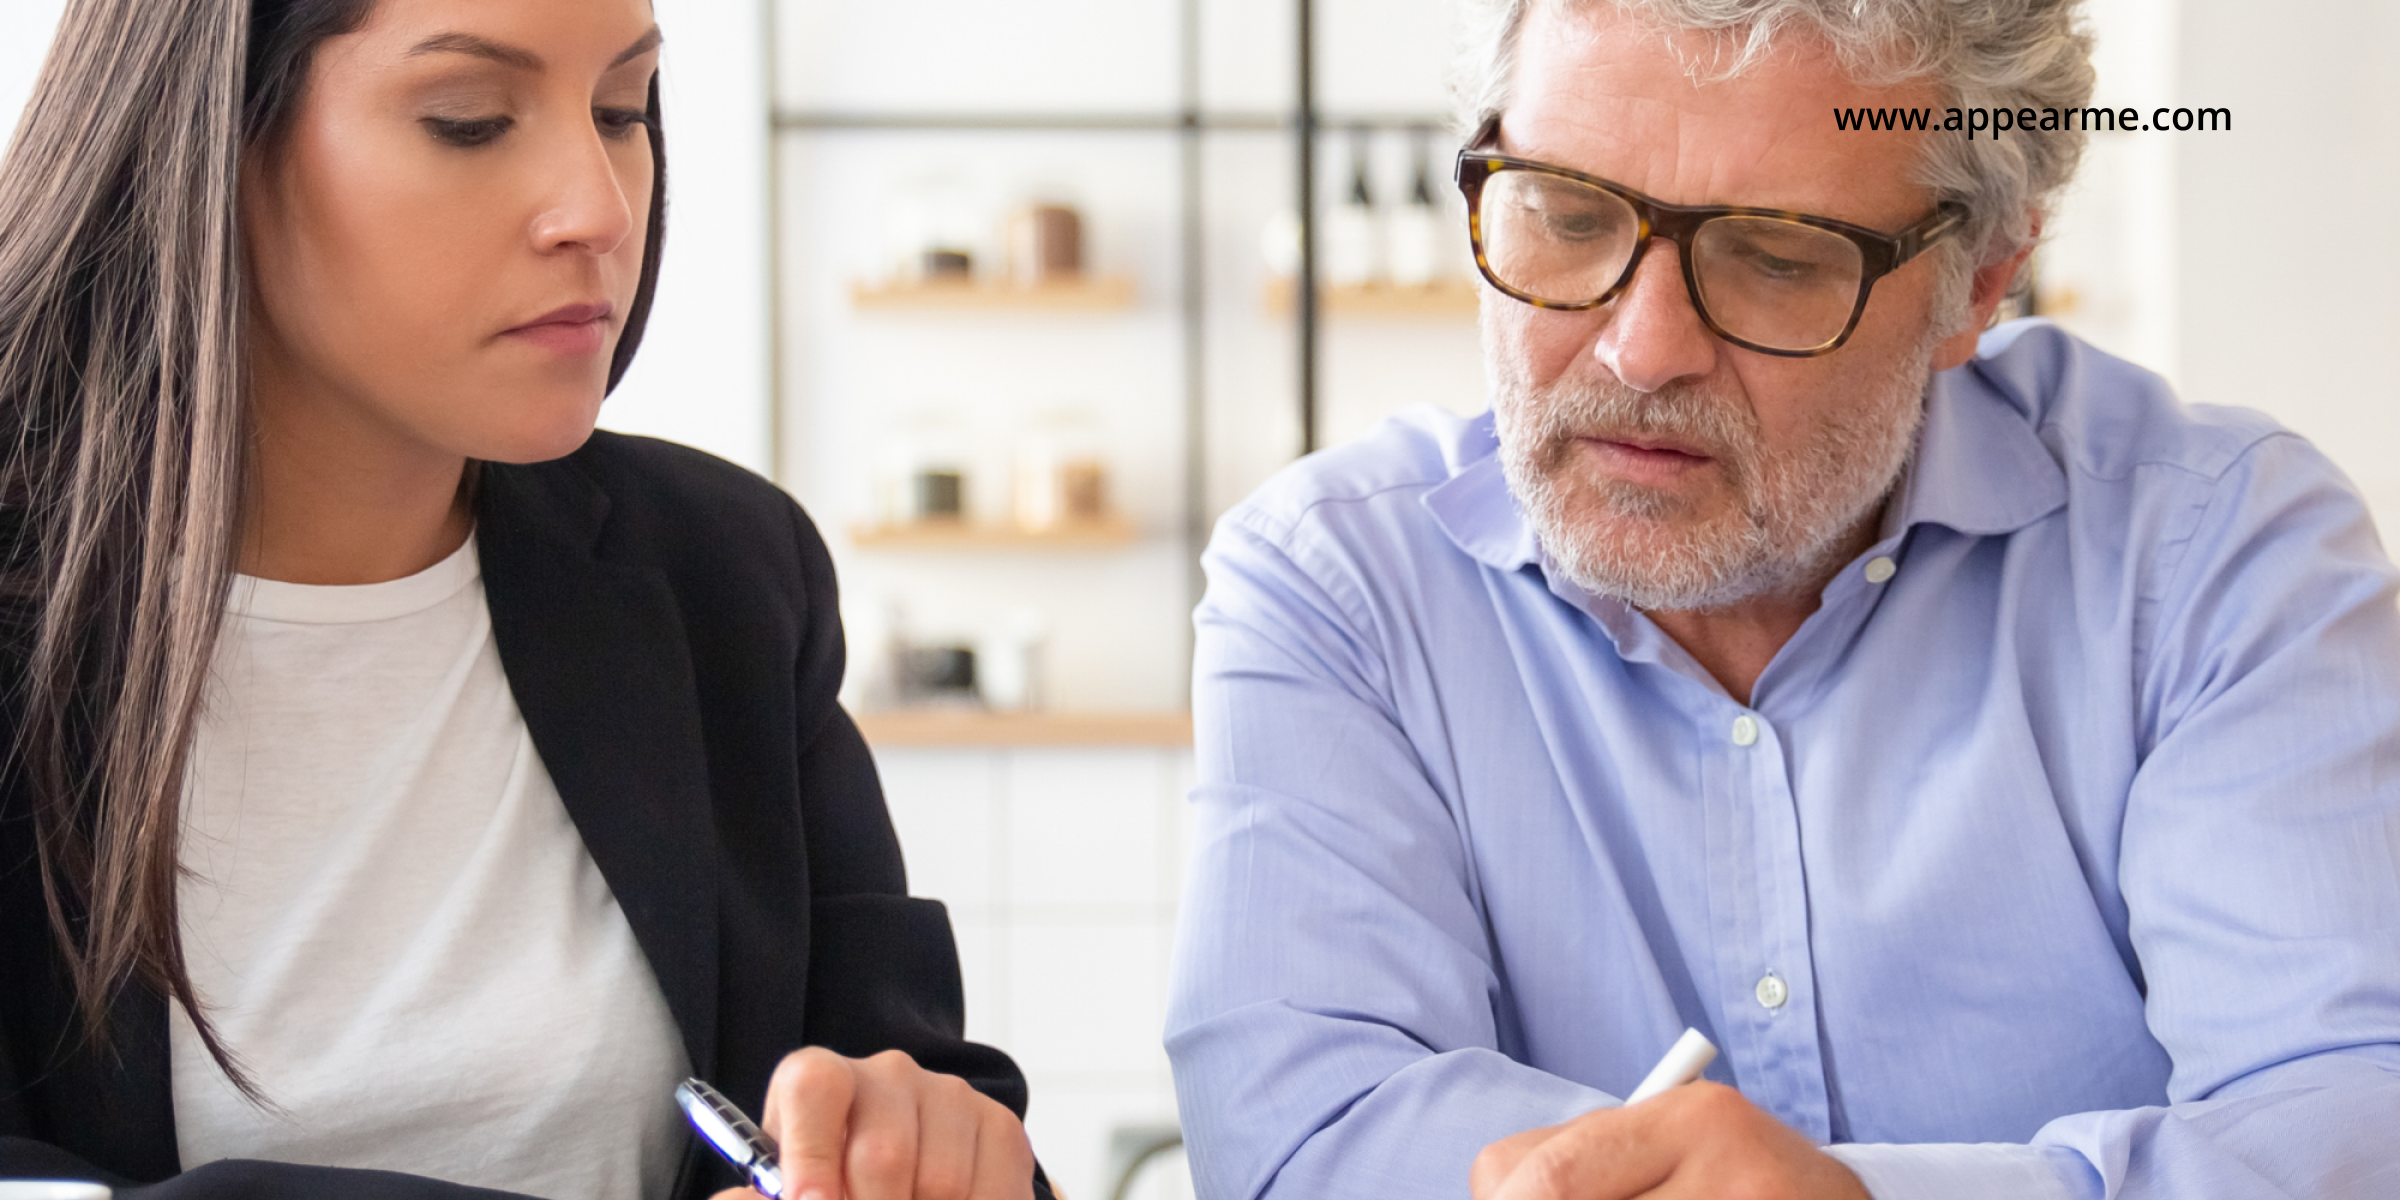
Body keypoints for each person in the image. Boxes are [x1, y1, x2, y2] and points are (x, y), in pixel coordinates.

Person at [1164, 0, 2400, 1198]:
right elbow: (1299, 1143)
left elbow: (2353, 1122)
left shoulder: (2211, 553)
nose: (1642, 349)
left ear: (1980, 282)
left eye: (1774, 258)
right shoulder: (1342, 587)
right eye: (1569, 215)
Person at [0, 2, 1047, 1198]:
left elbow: (920, 1095)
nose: (601, 209)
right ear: (204, 141)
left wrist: (933, 1148)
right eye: (470, 122)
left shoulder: (724, 574)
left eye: (622, 110)